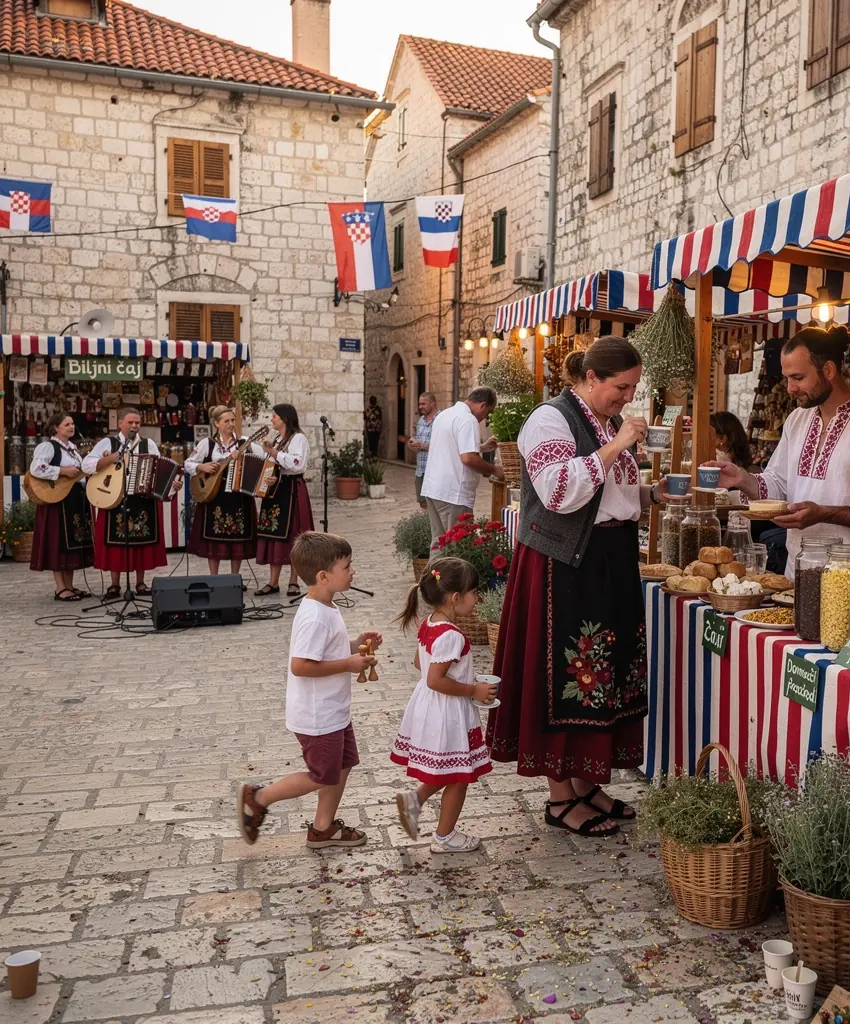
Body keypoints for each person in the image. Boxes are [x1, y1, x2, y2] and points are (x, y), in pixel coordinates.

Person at [487, 338, 664, 837]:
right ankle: (559, 796)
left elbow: (609, 496)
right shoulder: (550, 419)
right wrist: (618, 445)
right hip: (564, 565)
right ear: (591, 378)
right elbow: (558, 491)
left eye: (633, 388)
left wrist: (652, 494)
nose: (628, 397)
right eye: (621, 387)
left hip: (609, 559)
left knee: (605, 675)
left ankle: (586, 782)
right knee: (567, 678)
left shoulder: (605, 423)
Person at [712, 325, 850, 576]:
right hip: (797, 570)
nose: (790, 388)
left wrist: (823, 514)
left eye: (798, 378)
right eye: (787, 378)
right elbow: (779, 484)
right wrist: (741, 479)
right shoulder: (797, 420)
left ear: (828, 370)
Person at [236, 532, 381, 849]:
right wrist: (348, 664)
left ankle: (322, 828)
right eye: (347, 566)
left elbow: (328, 650)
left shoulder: (327, 605)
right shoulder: (315, 617)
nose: (353, 571)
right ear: (324, 576)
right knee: (321, 775)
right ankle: (258, 798)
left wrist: (357, 644)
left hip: (333, 710)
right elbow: (301, 665)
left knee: (343, 765)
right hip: (318, 716)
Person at [391, 556, 496, 853]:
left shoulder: (430, 623)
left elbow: (420, 663)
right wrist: (473, 689)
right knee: (459, 777)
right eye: (474, 592)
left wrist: (464, 678)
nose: (477, 599)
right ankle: (445, 837)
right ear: (456, 597)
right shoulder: (452, 635)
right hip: (448, 712)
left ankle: (414, 801)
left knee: (446, 769)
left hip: (431, 708)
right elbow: (436, 679)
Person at [83, 407, 181, 597]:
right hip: (115, 498)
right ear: (120, 423)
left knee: (141, 542)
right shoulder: (108, 442)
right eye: (130, 422)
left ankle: (140, 583)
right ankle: (114, 585)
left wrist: (171, 485)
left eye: (137, 422)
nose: (134, 426)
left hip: (142, 499)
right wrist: (111, 458)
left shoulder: (148, 444)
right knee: (115, 543)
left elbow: (158, 470)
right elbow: (86, 465)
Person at [420, 387, 504, 548]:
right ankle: (450, 567)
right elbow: (468, 458)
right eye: (487, 412)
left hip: (434, 489)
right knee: (458, 547)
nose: (484, 418)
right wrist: (495, 470)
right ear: (482, 405)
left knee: (439, 544)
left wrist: (481, 447)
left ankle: (435, 567)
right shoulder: (468, 420)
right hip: (453, 494)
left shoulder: (445, 414)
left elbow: (450, 446)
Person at [184, 406, 258, 582]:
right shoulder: (207, 443)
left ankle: (234, 578)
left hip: (238, 495)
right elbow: (188, 463)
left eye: (233, 420)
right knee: (213, 537)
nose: (231, 424)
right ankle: (214, 578)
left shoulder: (244, 443)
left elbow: (262, 461)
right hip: (214, 495)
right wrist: (202, 466)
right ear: (217, 424)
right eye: (227, 421)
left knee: (238, 537)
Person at [710, 410, 788, 575]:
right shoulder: (745, 470)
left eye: (709, 436)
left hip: (751, 539)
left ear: (723, 439)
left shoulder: (742, 470)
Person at [28, 412, 93, 601]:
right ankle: (60, 588)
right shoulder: (48, 446)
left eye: (72, 424)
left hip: (73, 500)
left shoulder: (72, 448)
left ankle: (70, 586)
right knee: (58, 543)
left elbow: (78, 474)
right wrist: (62, 470)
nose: (71, 427)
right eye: (67, 424)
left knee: (71, 543)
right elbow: (36, 468)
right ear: (55, 428)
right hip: (57, 501)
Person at [254, 403, 314, 598]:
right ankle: (273, 582)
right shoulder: (279, 439)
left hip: (292, 490)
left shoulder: (298, 439)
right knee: (274, 534)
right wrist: (270, 472)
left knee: (294, 535)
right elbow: (275, 464)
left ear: (285, 418)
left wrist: (273, 453)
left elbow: (297, 464)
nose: (272, 419)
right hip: (277, 491)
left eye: (274, 416)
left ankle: (293, 581)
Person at [407, 391, 438, 509]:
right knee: (423, 503)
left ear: (433, 403)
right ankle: (427, 522)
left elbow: (444, 445)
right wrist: (411, 444)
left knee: (435, 504)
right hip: (420, 470)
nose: (420, 407)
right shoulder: (420, 420)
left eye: (423, 404)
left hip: (435, 471)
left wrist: (422, 446)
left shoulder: (441, 420)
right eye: (419, 404)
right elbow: (415, 438)